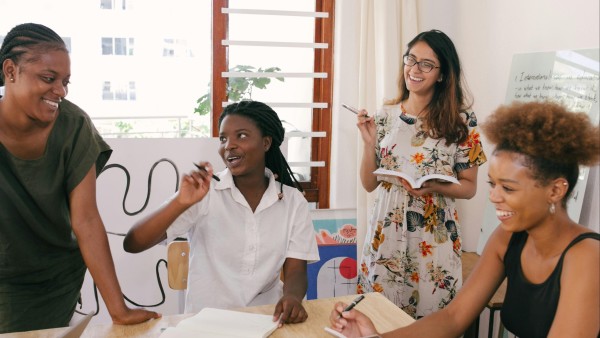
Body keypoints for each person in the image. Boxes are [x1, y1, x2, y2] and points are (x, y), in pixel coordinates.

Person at [329, 100, 600, 338]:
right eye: (492, 184)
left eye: (508, 188)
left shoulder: (587, 256)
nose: (493, 196)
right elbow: (453, 318)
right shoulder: (507, 239)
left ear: (555, 190)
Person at [0, 23, 160, 333]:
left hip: (56, 277)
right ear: (10, 71)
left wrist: (119, 311)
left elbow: (85, 220)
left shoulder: (74, 126)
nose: (60, 91)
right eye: (48, 79)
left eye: (65, 81)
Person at [123, 100, 320, 324]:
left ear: (266, 143)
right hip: (206, 324)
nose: (229, 146)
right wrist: (180, 202)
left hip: (267, 321)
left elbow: (296, 269)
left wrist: (292, 298)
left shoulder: (293, 201)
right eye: (223, 138)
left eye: (242, 136)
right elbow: (133, 243)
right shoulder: (205, 193)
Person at [354, 29, 486, 318]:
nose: (414, 69)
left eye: (426, 64)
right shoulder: (384, 115)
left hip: (433, 240)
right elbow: (368, 184)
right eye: (411, 59)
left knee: (432, 323)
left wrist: (434, 187)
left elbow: (469, 188)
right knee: (377, 321)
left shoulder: (463, 121)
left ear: (441, 74)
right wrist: (368, 143)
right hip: (385, 234)